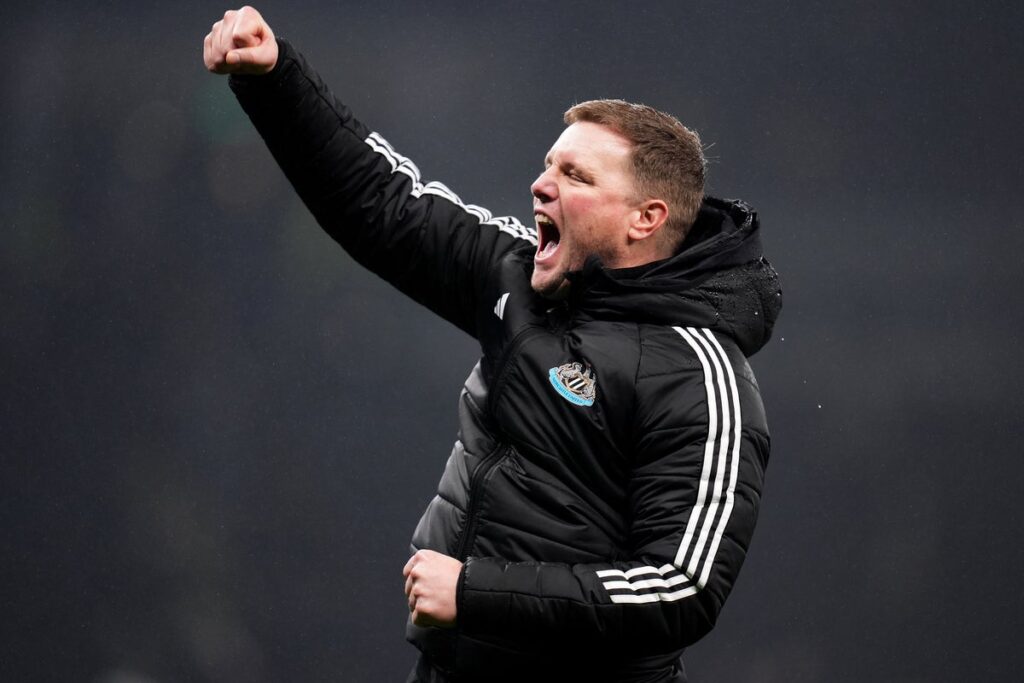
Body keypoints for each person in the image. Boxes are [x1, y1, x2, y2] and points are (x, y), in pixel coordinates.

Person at [203, 7, 781, 682]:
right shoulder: (520, 274)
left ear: (645, 219)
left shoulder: (701, 375)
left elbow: (680, 586)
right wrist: (274, 78)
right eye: (548, 165)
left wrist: (475, 591)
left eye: (577, 176)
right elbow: (384, 203)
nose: (541, 184)